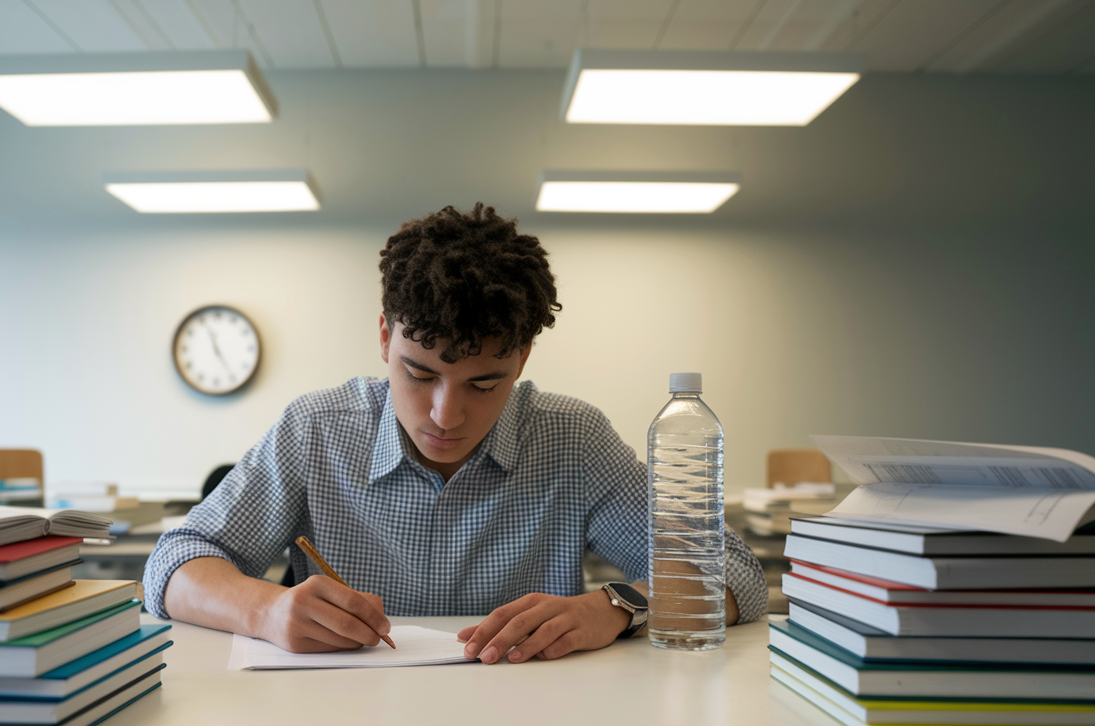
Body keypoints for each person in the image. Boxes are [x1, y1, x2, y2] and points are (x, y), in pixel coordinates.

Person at [142, 203, 767, 664]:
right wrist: (265, 609)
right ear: (385, 338)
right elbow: (171, 564)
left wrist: (615, 606)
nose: (445, 415)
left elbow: (736, 571)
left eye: (483, 383)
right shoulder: (316, 431)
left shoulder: (573, 440)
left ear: (520, 359)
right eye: (419, 374)